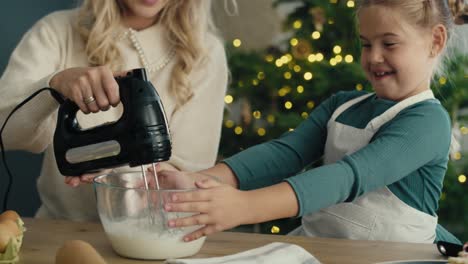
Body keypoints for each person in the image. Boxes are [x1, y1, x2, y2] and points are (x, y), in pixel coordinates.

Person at [158, 0, 468, 244]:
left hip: (396, 257)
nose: (373, 57)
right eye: (365, 43)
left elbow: (349, 176)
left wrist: (244, 206)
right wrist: (202, 181)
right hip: (323, 248)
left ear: (435, 41)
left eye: (389, 44)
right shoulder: (341, 105)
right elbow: (285, 154)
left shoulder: (428, 121)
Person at [0, 0, 228, 221]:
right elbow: (6, 130)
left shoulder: (204, 53)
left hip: (159, 232)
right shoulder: (57, 32)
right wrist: (54, 85)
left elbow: (189, 172)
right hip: (61, 232)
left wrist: (112, 168)